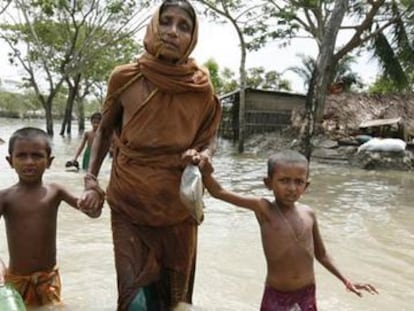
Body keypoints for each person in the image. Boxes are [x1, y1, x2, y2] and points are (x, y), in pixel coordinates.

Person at [78, 0, 222, 310]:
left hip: (179, 206)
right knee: (134, 302)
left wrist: (202, 156)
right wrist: (91, 181)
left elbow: (209, 139)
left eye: (183, 26)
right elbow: (104, 131)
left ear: (192, 37)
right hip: (129, 200)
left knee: (173, 299)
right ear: (154, 27)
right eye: (166, 22)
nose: (172, 31)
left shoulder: (201, 87)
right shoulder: (124, 77)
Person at [198, 149, 378, 310]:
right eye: (284, 181)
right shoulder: (264, 209)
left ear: (306, 186)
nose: (292, 188)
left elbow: (321, 255)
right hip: (276, 295)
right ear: (268, 183)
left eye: (298, 182)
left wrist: (346, 280)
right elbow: (219, 192)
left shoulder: (309, 214)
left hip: (307, 294)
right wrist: (206, 173)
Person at [0, 127, 101, 307]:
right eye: (21, 156)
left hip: (49, 280)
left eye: (37, 156)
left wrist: (94, 201)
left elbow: (90, 212)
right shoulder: (5, 197)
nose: (29, 162)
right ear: (10, 161)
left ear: (49, 161)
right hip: (16, 280)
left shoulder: (56, 191)